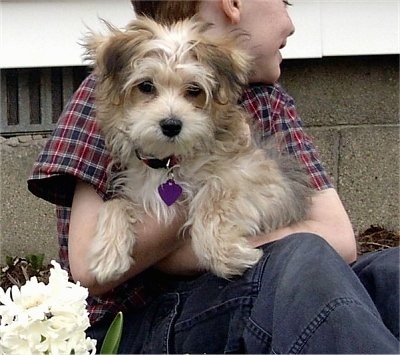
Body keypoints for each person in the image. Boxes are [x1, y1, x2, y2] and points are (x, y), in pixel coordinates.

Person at [28, 0, 399, 353]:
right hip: (147, 320)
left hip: (254, 282)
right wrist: (201, 202)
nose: (292, 22)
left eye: (194, 92)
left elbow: (340, 240)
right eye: (286, 2)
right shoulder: (110, 96)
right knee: (302, 258)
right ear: (233, 4)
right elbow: (91, 269)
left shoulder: (266, 98)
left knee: (389, 272)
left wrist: (256, 237)